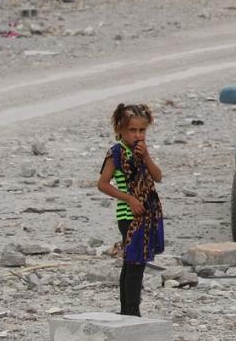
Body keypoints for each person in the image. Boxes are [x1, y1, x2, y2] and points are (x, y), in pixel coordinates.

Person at [96, 104, 165, 316]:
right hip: (129, 216)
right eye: (132, 130)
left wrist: (146, 156)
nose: (137, 135)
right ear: (120, 129)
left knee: (133, 263)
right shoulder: (116, 152)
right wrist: (129, 199)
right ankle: (131, 312)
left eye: (141, 130)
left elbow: (157, 176)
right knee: (135, 265)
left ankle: (127, 310)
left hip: (147, 215)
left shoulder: (141, 152)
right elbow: (103, 184)